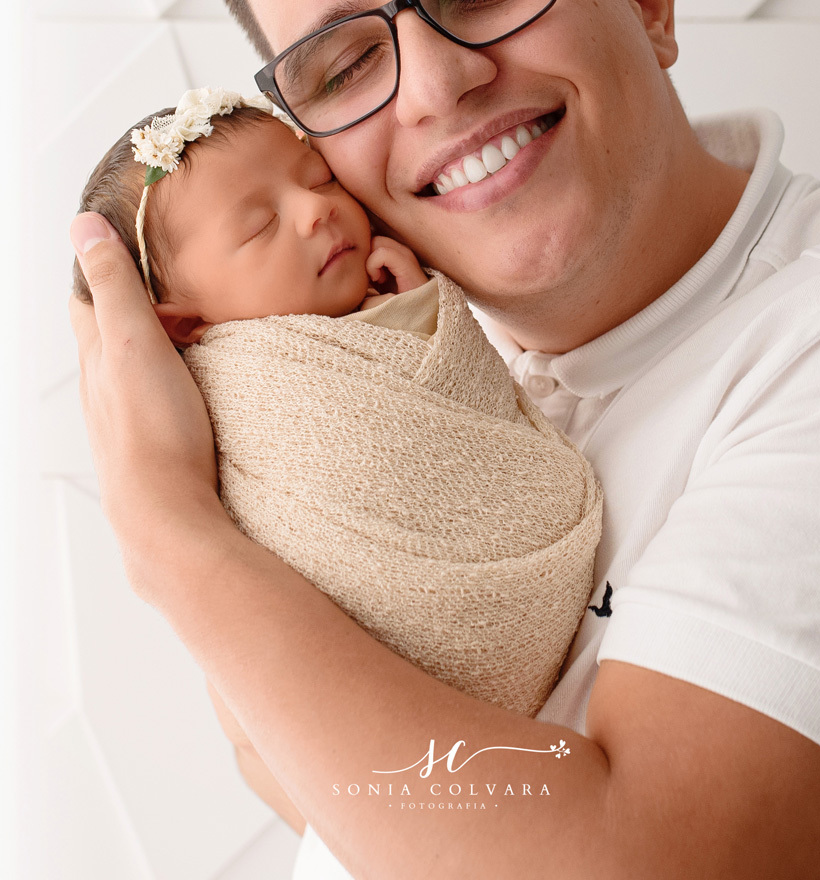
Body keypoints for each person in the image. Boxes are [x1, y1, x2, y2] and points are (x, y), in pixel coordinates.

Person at [69, 0, 820, 880]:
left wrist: (168, 534)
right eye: (344, 65)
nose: (435, 85)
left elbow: (638, 858)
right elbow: (281, 766)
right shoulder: (375, 375)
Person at [73, 87, 600, 722]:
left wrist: (416, 310)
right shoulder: (242, 390)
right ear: (184, 323)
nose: (316, 209)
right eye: (260, 226)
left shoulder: (405, 293)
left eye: (318, 179)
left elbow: (463, 409)